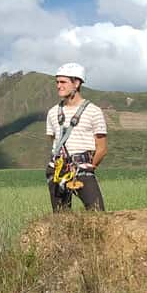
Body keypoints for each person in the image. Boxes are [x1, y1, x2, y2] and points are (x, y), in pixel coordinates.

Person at [45, 63, 107, 212]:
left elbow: (102, 148)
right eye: (57, 82)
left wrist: (90, 167)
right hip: (57, 170)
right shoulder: (52, 112)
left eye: (63, 82)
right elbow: (54, 142)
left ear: (76, 83)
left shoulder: (94, 111)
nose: (58, 86)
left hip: (83, 169)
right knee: (61, 218)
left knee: (97, 213)